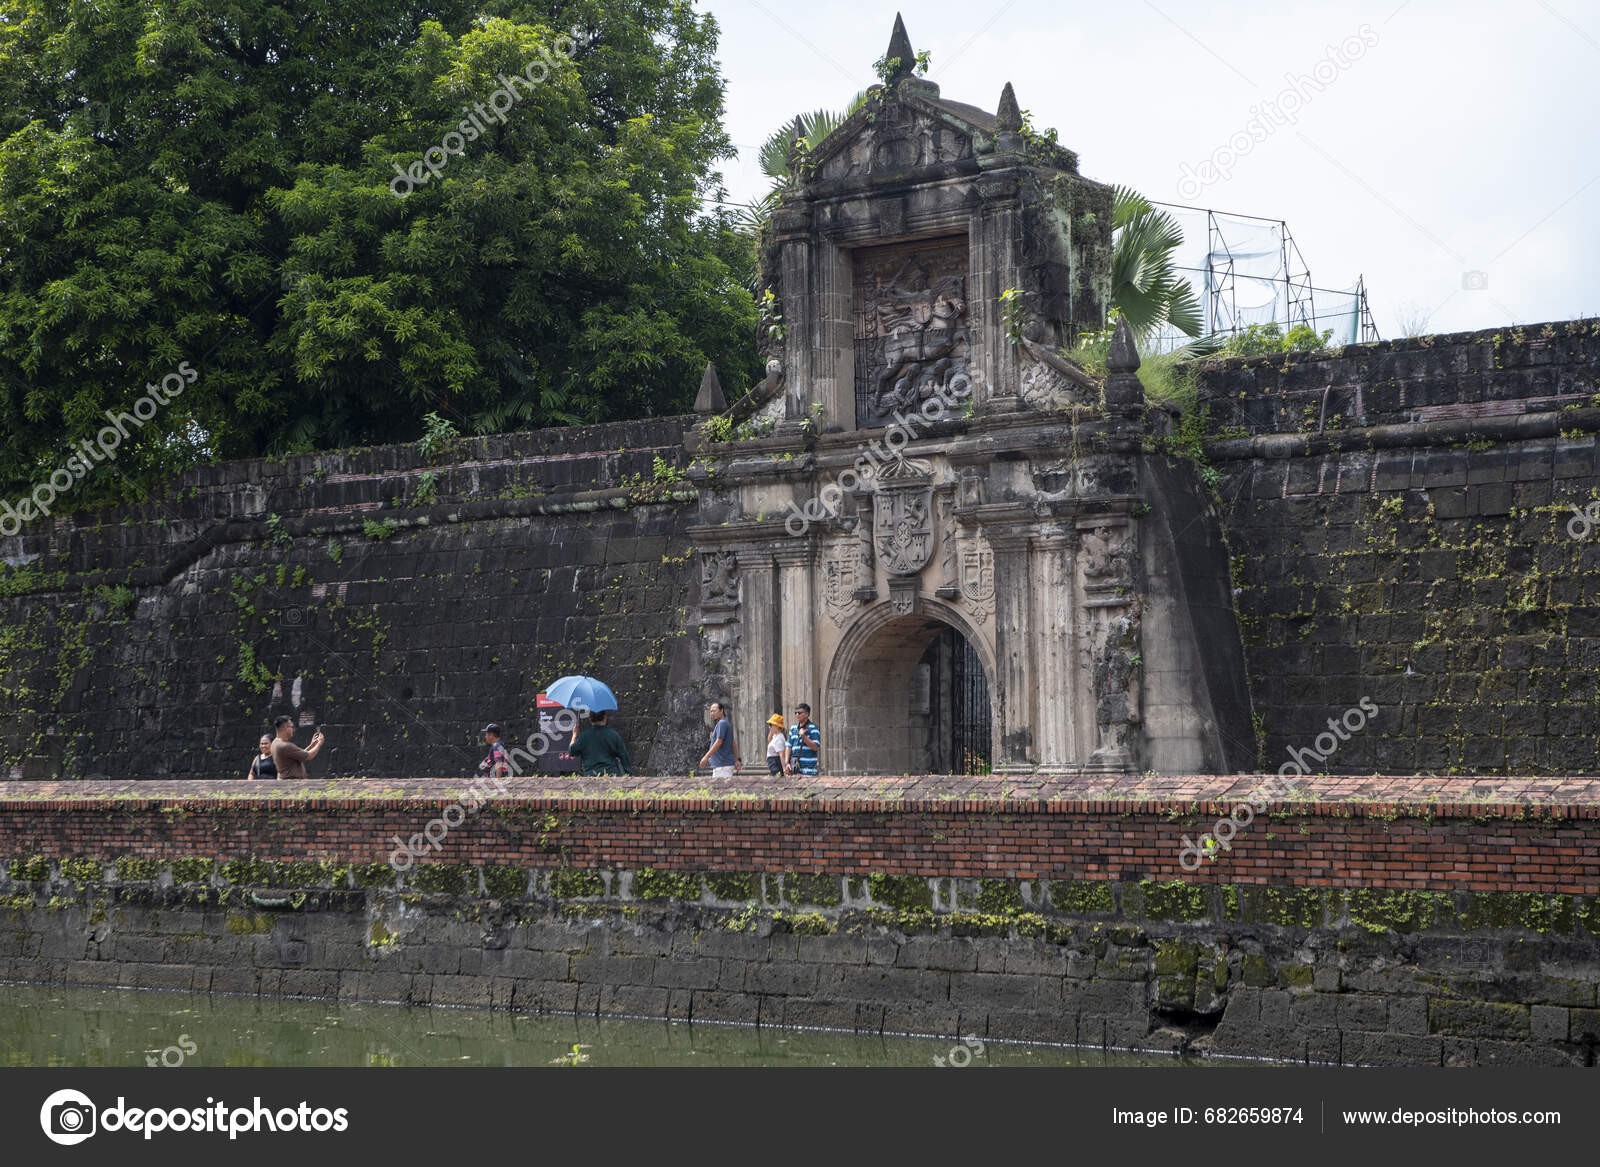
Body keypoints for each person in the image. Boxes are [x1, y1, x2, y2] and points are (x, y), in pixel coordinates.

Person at [566, 710, 631, 776]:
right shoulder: (614, 735)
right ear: (605, 718)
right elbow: (624, 756)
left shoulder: (583, 737)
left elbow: (571, 751)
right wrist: (628, 773)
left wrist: (574, 734)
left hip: (590, 776)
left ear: (590, 719)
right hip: (612, 775)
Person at [269, 715, 324, 780]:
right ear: (285, 727)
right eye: (291, 727)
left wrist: (311, 745)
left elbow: (299, 754)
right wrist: (319, 743)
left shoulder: (275, 743)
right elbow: (308, 756)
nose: (293, 729)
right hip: (292, 783)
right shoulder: (285, 745)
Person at [698, 700, 740, 778]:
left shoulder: (722, 723)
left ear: (721, 711)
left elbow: (718, 742)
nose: (712, 713)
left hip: (722, 765)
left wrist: (706, 757)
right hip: (724, 765)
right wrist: (736, 760)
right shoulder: (725, 723)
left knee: (720, 788)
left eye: (714, 711)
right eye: (710, 711)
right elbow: (733, 743)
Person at [786, 703, 820, 776]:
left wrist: (803, 736)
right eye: (795, 713)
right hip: (795, 770)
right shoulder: (793, 728)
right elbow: (788, 746)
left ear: (807, 714)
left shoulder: (813, 728)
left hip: (808, 771)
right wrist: (786, 763)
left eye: (799, 713)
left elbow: (815, 747)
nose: (797, 715)